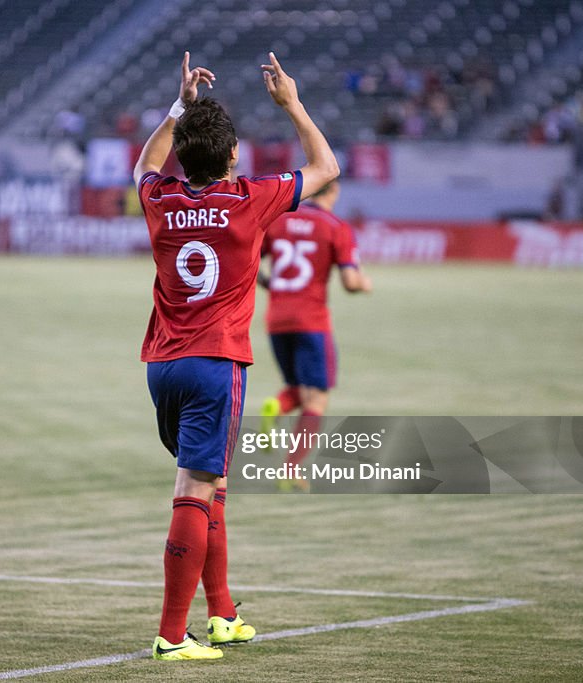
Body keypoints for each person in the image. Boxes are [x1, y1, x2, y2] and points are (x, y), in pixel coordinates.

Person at [134, 51, 339, 660]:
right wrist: (292, 104)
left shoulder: (160, 199)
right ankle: (173, 635)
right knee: (197, 488)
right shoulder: (251, 199)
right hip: (216, 362)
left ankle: (222, 614)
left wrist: (178, 107)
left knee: (208, 482)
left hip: (162, 363)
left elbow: (146, 161)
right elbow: (326, 166)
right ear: (232, 157)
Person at [258, 180, 372, 490]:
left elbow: (249, 260)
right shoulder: (336, 227)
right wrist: (365, 283)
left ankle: (276, 406)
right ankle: (290, 469)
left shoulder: (277, 220)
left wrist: (271, 285)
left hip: (277, 319)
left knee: (297, 388)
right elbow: (350, 281)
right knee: (317, 398)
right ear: (333, 192)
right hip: (311, 321)